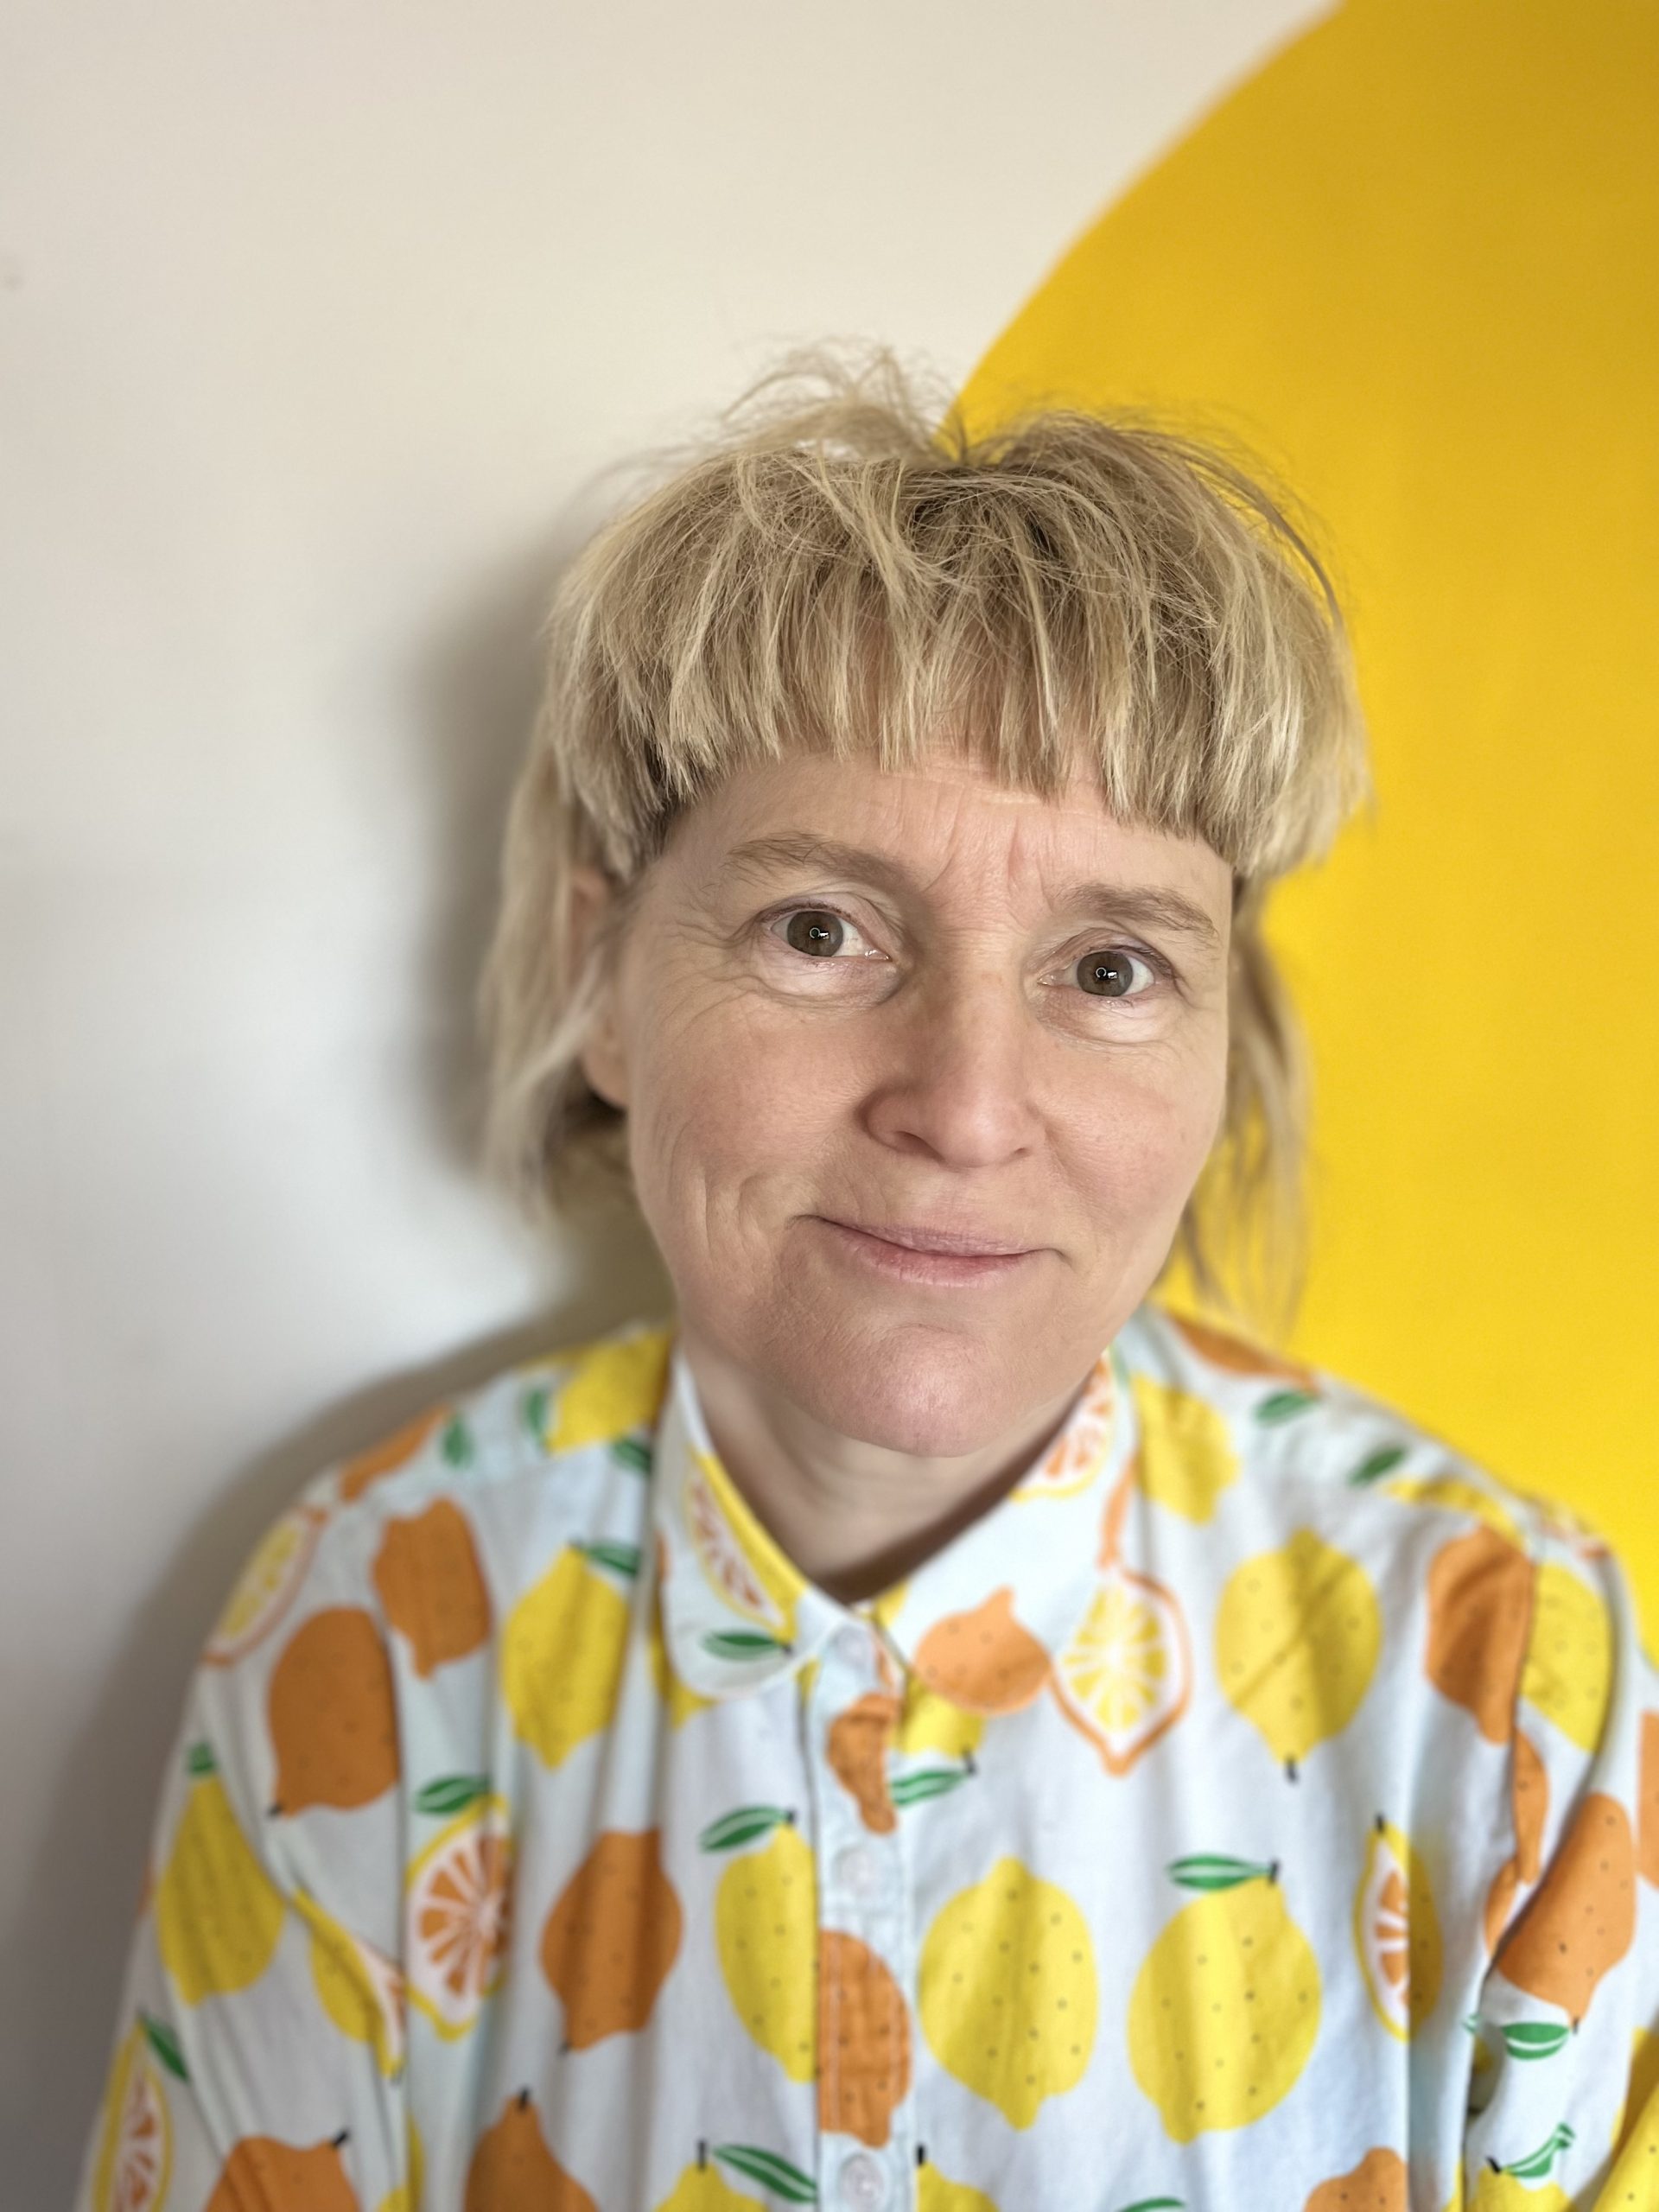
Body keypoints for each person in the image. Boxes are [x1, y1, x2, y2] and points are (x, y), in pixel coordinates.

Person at [77, 352, 1659, 2212]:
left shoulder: (1515, 1679)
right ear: (603, 976)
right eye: (821, 929)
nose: (967, 1106)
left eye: (1111, 967)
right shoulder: (377, 1629)